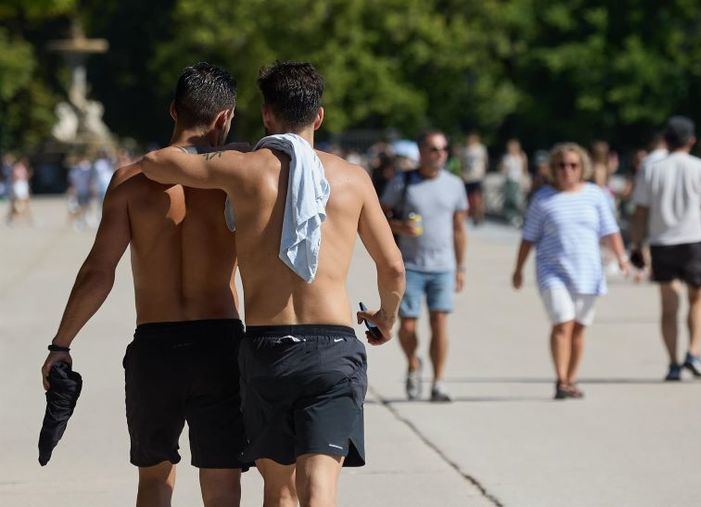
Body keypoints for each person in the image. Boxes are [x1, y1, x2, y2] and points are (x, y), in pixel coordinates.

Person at [141, 61, 405, 507]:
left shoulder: (242, 169)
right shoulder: (352, 179)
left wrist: (236, 150)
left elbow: (154, 164)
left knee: (278, 490)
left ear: (267, 115)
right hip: (332, 346)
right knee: (319, 486)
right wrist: (386, 317)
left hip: (267, 348)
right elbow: (393, 267)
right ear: (318, 117)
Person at [41, 62, 246, 507]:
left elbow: (99, 271)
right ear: (225, 117)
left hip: (156, 345)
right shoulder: (238, 181)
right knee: (223, 482)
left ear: (174, 110)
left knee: (154, 481)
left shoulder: (131, 180)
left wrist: (62, 343)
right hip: (220, 343)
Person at [512, 143, 628, 399]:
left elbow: (610, 230)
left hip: (588, 270)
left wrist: (622, 258)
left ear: (582, 168)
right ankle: (561, 380)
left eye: (573, 165)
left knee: (578, 328)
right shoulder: (543, 198)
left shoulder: (595, 195)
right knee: (562, 323)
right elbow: (529, 237)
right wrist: (518, 269)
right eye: (561, 165)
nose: (567, 170)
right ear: (553, 168)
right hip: (552, 271)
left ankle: (572, 379)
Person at [630, 116, 701, 381]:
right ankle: (693, 351)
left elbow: (640, 211)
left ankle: (673, 363)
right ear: (692, 141)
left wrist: (637, 244)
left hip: (662, 242)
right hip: (693, 240)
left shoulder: (651, 169)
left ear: (666, 140)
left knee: (668, 305)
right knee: (697, 298)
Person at [381, 130, 468, 402]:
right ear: (421, 153)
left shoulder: (455, 184)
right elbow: (378, 215)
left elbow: (459, 228)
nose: (439, 154)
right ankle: (413, 363)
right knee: (407, 327)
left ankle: (438, 382)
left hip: (443, 266)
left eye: (443, 149)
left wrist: (461, 267)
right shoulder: (403, 181)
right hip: (411, 266)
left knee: (439, 321)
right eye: (433, 149)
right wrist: (400, 226)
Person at [499, 138, 529, 226]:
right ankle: (511, 216)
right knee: (509, 199)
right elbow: (503, 169)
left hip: (518, 180)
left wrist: (525, 179)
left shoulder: (522, 156)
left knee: (517, 200)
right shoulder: (507, 157)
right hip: (509, 180)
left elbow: (524, 169)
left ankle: (518, 216)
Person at [461, 132, 488, 224]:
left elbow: (485, 161)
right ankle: (472, 214)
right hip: (468, 176)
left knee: (477, 197)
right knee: (469, 197)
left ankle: (479, 215)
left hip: (477, 175)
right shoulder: (466, 149)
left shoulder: (480, 149)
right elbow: (463, 163)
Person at [7, 156, 33, 225]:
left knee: (24, 201)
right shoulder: (17, 167)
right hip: (19, 184)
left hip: (22, 184)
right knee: (19, 201)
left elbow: (24, 177)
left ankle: (18, 215)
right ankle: (17, 215)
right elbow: (15, 177)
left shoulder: (23, 168)